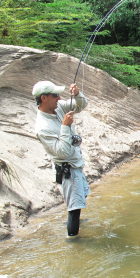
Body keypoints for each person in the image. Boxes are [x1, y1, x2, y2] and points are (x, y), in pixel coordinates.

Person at [32, 81, 89, 237]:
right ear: (44, 98)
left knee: (78, 200)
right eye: (55, 95)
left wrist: (77, 94)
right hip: (67, 169)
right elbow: (62, 152)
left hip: (75, 164)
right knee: (74, 209)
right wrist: (65, 127)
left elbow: (81, 105)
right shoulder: (42, 128)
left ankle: (77, 223)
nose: (59, 98)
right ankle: (73, 241)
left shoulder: (58, 108)